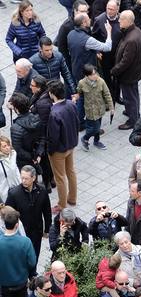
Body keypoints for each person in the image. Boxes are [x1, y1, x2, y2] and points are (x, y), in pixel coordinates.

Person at [6, 165, 51, 263]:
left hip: (37, 231)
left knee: (35, 256)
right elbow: (7, 215)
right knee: (22, 257)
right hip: (21, 232)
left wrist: (47, 229)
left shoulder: (42, 191)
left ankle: (33, 274)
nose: (23, 181)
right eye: (22, 178)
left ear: (34, 178)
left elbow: (47, 211)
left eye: (26, 178)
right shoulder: (14, 194)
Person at [46, 79, 79, 210]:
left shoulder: (54, 113)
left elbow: (53, 137)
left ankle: (62, 204)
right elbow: (76, 123)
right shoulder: (71, 104)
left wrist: (50, 151)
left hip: (59, 150)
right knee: (71, 171)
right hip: (71, 145)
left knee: (60, 178)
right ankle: (72, 198)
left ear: (52, 93)